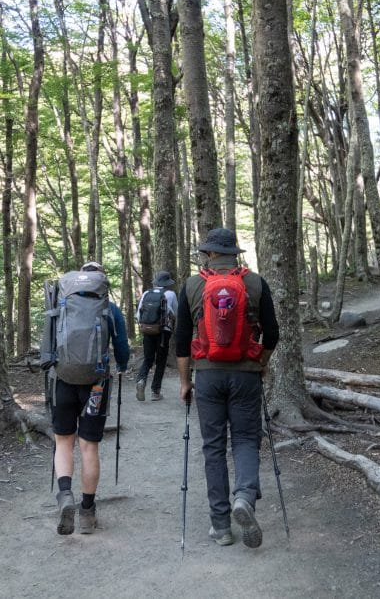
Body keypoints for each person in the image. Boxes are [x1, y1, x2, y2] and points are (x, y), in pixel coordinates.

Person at [176, 228, 278, 548]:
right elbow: (272, 334)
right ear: (235, 253)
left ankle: (220, 526)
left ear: (209, 254)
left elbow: (180, 342)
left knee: (214, 447)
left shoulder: (193, 285)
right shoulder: (255, 283)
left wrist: (184, 381)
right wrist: (260, 363)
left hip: (207, 375)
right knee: (247, 439)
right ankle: (244, 497)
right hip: (246, 375)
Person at [53, 261, 130, 535]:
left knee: (63, 441)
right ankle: (87, 512)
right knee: (89, 447)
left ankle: (65, 495)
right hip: (96, 384)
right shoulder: (109, 308)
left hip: (63, 380)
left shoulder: (62, 303)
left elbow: (51, 342)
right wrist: (121, 365)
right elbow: (122, 347)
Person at [135, 270, 178, 402]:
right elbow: (176, 313)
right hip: (163, 332)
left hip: (147, 330)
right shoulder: (171, 294)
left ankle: (141, 380)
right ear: (167, 282)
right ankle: (155, 391)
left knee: (148, 359)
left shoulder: (147, 293)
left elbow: (138, 315)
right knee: (161, 361)